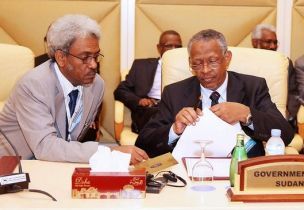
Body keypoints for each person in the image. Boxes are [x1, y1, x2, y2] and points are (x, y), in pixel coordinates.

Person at [0, 14, 148, 164]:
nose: (93, 65)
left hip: (56, 163)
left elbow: (70, 138)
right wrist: (110, 153)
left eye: (96, 56)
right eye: (85, 58)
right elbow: (45, 147)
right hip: (14, 166)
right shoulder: (33, 85)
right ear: (61, 58)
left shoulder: (97, 85)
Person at [135, 29, 295, 158]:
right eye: (197, 64)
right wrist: (174, 129)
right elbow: (143, 143)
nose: (204, 71)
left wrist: (247, 114)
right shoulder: (175, 92)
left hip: (240, 171)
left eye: (212, 62)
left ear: (227, 58)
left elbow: (285, 134)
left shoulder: (253, 86)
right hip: (191, 170)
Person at [114, 30, 182, 133]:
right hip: (150, 110)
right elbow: (121, 91)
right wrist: (139, 101)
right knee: (157, 114)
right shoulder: (141, 66)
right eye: (169, 46)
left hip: (176, 110)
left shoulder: (188, 69)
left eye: (178, 47)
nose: (173, 50)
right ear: (159, 48)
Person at [252, 23, 300, 127]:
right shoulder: (244, 61)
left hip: (279, 117)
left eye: (275, 42)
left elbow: (293, 93)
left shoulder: (285, 63)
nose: (273, 46)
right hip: (251, 115)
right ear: (255, 42)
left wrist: (288, 115)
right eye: (268, 42)